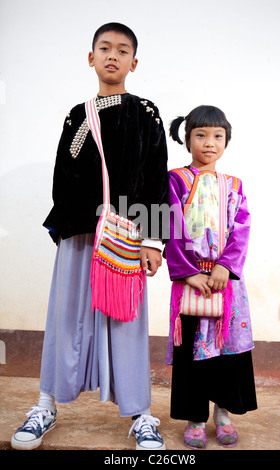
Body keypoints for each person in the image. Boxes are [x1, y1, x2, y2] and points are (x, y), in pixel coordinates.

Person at [11, 22, 168, 451]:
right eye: (104, 48)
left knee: (128, 322)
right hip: (81, 235)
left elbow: (155, 178)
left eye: (122, 50)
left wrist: (153, 241)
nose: (112, 55)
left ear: (134, 63)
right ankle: (45, 404)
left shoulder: (147, 113)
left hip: (127, 236)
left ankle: (141, 414)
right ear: (91, 58)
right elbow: (65, 176)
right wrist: (67, 230)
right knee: (65, 319)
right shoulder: (77, 114)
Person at [164, 105, 257, 449]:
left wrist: (224, 267)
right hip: (191, 282)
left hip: (225, 283)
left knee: (229, 351)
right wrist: (188, 273)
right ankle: (195, 419)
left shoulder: (234, 185)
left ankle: (223, 414)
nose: (209, 142)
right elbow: (168, 226)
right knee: (192, 352)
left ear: (226, 141)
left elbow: (242, 229)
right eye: (200, 134)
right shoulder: (175, 180)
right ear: (187, 138)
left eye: (218, 135)